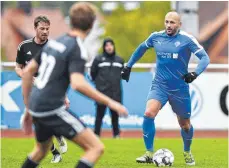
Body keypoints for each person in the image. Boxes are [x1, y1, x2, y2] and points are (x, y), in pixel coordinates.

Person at [20, 2, 128, 168]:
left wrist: (28, 108)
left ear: (71, 21)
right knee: (96, 148)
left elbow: (27, 72)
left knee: (41, 150)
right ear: (91, 25)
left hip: (36, 105)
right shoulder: (77, 48)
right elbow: (78, 84)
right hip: (51, 109)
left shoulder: (56, 42)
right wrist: (111, 102)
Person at [121, 11, 210, 166]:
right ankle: (149, 153)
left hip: (180, 89)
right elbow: (141, 48)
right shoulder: (156, 37)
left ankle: (187, 152)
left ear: (179, 25)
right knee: (149, 113)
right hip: (160, 85)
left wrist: (195, 73)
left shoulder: (187, 40)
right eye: (167, 22)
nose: (169, 25)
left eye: (172, 23)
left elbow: (205, 58)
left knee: (185, 124)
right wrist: (128, 66)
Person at [15, 15, 68, 163]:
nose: (45, 31)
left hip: (49, 91)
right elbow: (18, 68)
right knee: (38, 124)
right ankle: (56, 152)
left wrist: (64, 96)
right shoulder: (24, 46)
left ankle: (58, 134)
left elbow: (59, 74)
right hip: (30, 91)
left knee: (46, 121)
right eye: (42, 28)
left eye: (47, 29)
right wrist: (25, 75)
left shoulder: (53, 47)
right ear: (35, 29)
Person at [90, 38, 124, 138]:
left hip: (115, 93)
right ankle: (96, 135)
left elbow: (123, 74)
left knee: (115, 116)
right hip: (101, 93)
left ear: (113, 46)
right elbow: (92, 74)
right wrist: (99, 85)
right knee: (99, 115)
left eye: (111, 45)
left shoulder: (119, 60)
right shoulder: (98, 59)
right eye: (107, 45)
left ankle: (116, 135)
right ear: (104, 47)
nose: (109, 47)